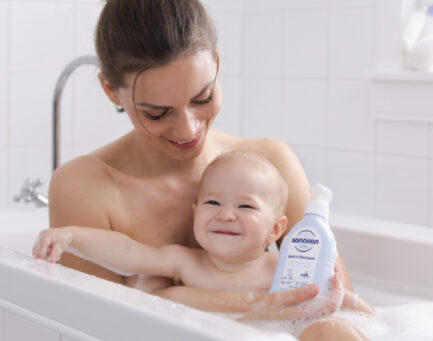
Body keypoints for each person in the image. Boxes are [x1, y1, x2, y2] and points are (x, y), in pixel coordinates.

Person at [49, 0, 371, 321]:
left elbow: (335, 307)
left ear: (216, 62)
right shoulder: (86, 187)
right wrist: (251, 308)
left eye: (202, 98)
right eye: (157, 113)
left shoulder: (272, 163)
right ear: (110, 90)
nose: (188, 129)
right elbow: (95, 327)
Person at [38, 151, 369, 340]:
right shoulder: (185, 262)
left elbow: (322, 296)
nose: (226, 215)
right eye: (213, 203)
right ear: (195, 213)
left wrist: (348, 302)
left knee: (333, 331)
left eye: (245, 207)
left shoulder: (279, 268)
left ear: (275, 230)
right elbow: (127, 252)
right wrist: (72, 236)